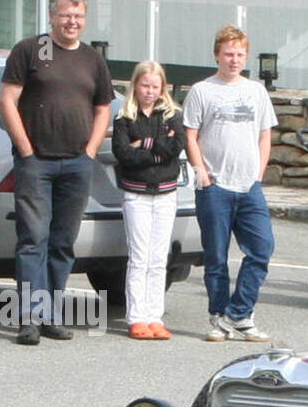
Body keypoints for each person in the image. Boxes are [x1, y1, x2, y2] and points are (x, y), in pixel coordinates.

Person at [0, 0, 113, 344]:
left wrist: (91, 150)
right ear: (52, 16)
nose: (72, 22)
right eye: (66, 15)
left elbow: (103, 109)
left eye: (78, 16)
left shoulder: (92, 59)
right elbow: (7, 100)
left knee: (63, 242)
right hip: (37, 163)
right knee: (33, 239)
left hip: (76, 165)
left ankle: (51, 315)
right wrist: (26, 150)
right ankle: (29, 318)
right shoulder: (33, 50)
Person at [183, 25, 276, 343]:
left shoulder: (256, 92)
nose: (234, 60)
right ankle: (218, 316)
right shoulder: (202, 91)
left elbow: (266, 134)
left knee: (261, 249)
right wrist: (201, 173)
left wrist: (259, 173)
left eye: (239, 54)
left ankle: (239, 314)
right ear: (216, 55)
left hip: (248, 185)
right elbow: (190, 135)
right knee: (216, 257)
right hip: (215, 186)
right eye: (228, 54)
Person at [112, 61, 186, 340]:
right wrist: (155, 146)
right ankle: (137, 317)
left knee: (158, 258)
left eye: (155, 86)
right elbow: (122, 153)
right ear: (135, 85)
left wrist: (142, 143)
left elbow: (174, 147)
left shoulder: (172, 115)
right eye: (145, 85)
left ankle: (155, 317)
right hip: (136, 194)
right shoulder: (124, 117)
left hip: (166, 193)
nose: (150, 91)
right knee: (139, 257)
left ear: (163, 88)